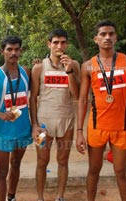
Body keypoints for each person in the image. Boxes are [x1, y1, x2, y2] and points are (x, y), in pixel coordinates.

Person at [76, 19, 126, 201]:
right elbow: (83, 99)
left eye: (111, 34)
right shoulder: (88, 65)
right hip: (96, 126)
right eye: (103, 34)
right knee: (93, 170)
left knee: (121, 171)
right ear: (96, 39)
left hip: (121, 127)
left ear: (116, 37)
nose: (107, 37)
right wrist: (79, 132)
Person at [30, 28, 80, 201]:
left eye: (63, 42)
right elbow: (32, 98)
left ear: (67, 44)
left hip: (66, 119)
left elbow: (77, 95)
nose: (59, 46)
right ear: (49, 44)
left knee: (63, 160)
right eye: (56, 42)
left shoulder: (74, 65)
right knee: (42, 161)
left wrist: (69, 71)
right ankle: (40, 197)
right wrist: (34, 124)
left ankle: (60, 196)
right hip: (44, 121)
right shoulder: (38, 67)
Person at [0, 36, 32, 201]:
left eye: (16, 49)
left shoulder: (26, 71)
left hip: (23, 128)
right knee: (2, 171)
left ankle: (11, 197)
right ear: (2, 51)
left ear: (20, 51)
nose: (13, 53)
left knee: (17, 164)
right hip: (3, 131)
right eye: (9, 49)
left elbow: (32, 99)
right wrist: (0, 114)